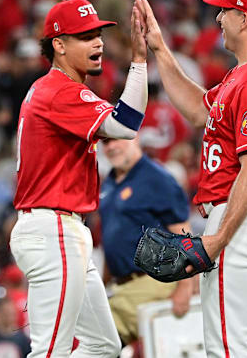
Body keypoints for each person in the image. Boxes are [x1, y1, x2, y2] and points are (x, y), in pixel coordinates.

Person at [136, 0, 247, 357]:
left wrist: (218, 240)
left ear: (244, 18)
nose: (217, 18)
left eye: (224, 10)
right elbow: (197, 110)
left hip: (244, 219)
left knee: (228, 349)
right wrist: (160, 49)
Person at [11, 0, 149, 357]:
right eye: (86, 36)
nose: (99, 42)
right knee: (49, 351)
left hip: (59, 229)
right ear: (58, 45)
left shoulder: (57, 90)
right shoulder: (58, 90)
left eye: (99, 34)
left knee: (103, 346)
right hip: (53, 228)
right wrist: (139, 61)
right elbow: (124, 125)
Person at [99, 137, 193, 345]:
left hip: (154, 284)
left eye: (117, 139)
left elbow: (183, 233)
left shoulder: (156, 178)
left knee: (95, 340)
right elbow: (112, 239)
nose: (111, 146)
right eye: (105, 142)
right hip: (121, 287)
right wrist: (102, 283)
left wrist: (186, 287)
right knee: (96, 342)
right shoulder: (109, 183)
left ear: (135, 137)